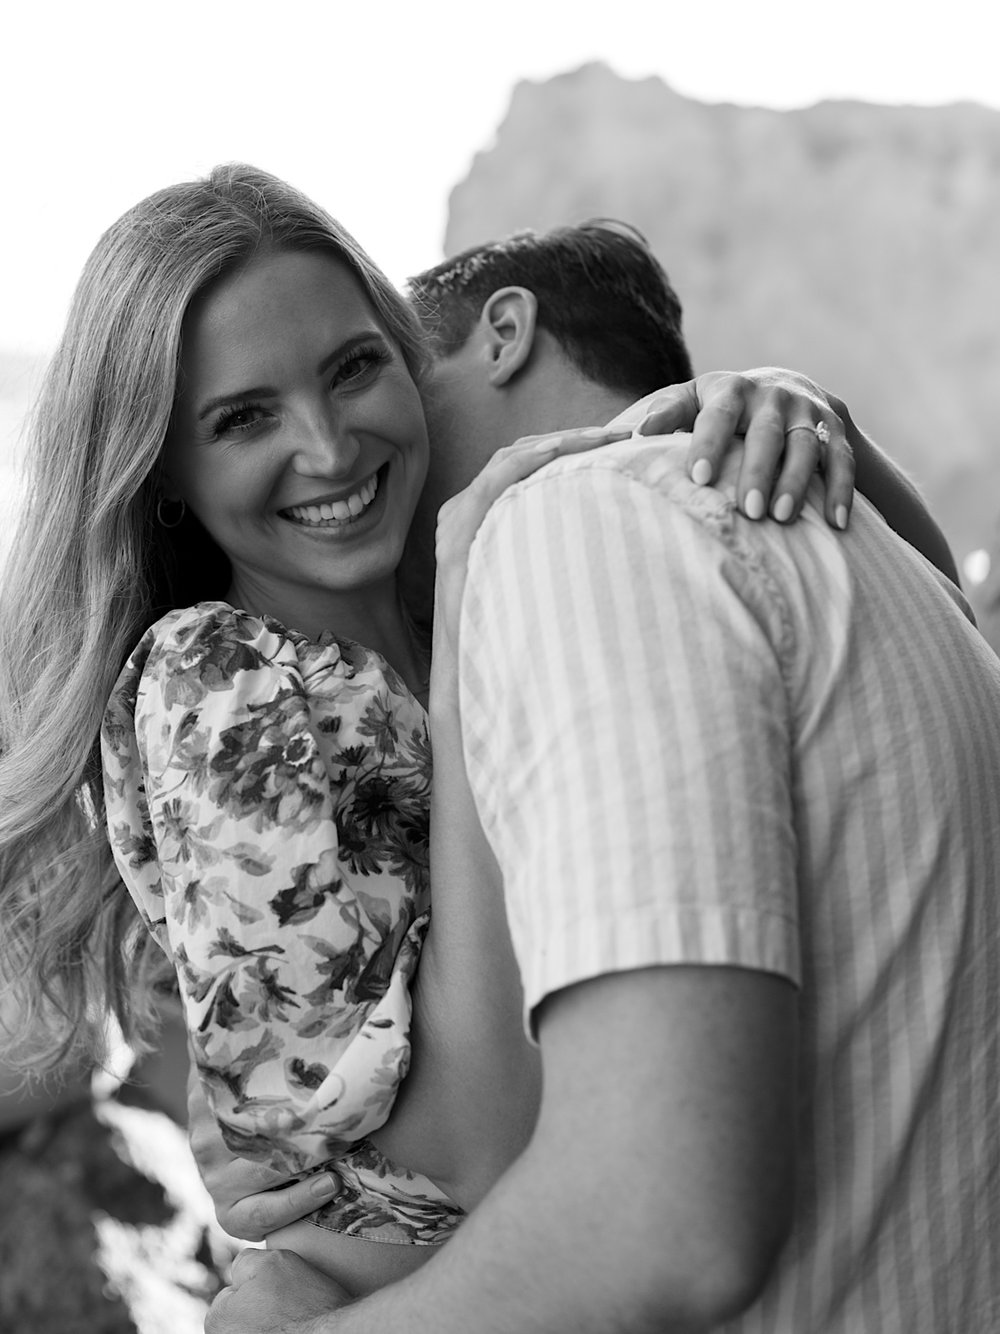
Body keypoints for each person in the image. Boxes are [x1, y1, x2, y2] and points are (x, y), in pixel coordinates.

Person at [0, 165, 867, 1302]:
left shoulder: (437, 611)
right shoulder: (219, 684)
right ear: (165, 468)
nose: (326, 445)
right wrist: (460, 637)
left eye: (353, 367)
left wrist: (803, 407)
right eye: (244, 416)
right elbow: (476, 1148)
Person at [204, 226, 1000, 1332]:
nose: (342, 450)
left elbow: (658, 1213)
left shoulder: (572, 528)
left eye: (373, 366)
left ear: (504, 333)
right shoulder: (863, 548)